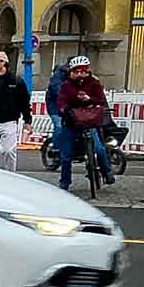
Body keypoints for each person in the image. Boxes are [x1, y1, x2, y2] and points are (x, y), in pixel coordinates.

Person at [56, 55, 115, 190]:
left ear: (87, 72)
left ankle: (107, 172)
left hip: (89, 121)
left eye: (82, 71)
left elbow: (101, 100)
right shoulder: (66, 86)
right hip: (72, 121)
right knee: (66, 155)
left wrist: (90, 99)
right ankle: (65, 182)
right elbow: (61, 101)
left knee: (99, 149)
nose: (79, 75)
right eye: (76, 72)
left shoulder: (94, 84)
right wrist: (64, 109)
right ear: (71, 72)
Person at [0, 51, 33, 171]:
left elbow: (24, 102)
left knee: (9, 151)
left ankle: (10, 175)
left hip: (9, 121)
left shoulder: (16, 81)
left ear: (3, 62)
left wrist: (27, 120)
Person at [45, 61, 69, 154]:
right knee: (59, 125)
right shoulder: (58, 75)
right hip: (55, 107)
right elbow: (57, 90)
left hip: (70, 107)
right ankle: (56, 148)